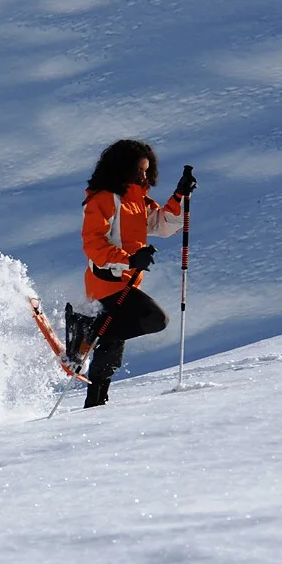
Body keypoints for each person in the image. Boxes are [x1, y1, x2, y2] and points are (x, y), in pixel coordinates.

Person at [66, 139, 196, 408]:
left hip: (126, 282)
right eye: (141, 169)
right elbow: (94, 244)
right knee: (156, 319)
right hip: (106, 282)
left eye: (148, 170)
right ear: (123, 167)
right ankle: (86, 329)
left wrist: (180, 196)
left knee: (112, 348)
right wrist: (129, 258)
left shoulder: (138, 200)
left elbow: (161, 225)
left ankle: (95, 405)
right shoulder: (103, 199)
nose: (145, 175)